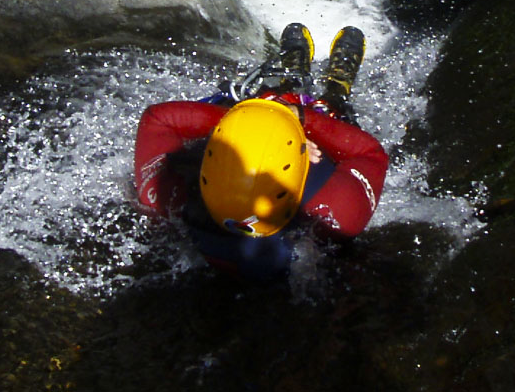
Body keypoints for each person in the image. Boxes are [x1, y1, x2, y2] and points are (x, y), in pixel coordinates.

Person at [133, 23, 388, 281]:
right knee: (334, 117)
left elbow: (159, 118)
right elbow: (370, 153)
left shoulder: (167, 199)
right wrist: (299, 120)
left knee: (258, 101)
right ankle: (336, 90)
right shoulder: (335, 215)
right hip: (302, 198)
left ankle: (287, 82)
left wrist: (244, 122)